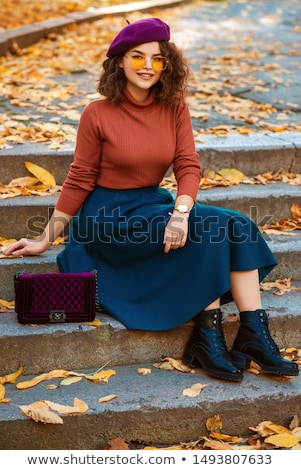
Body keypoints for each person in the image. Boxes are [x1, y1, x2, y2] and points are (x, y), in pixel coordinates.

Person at [4, 18, 298, 382]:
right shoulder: (97, 114)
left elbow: (188, 165)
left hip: (151, 205)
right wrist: (45, 238)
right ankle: (207, 337)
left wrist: (180, 211)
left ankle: (254, 335)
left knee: (230, 223)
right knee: (210, 227)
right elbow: (79, 178)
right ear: (120, 62)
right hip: (107, 217)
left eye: (157, 59)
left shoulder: (174, 107)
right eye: (137, 56)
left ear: (167, 64)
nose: (147, 66)